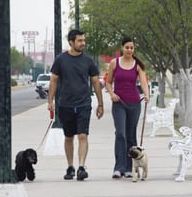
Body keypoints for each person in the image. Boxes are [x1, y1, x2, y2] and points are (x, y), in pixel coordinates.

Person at [47, 29, 104, 181]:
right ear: (71, 42)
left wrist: (100, 104)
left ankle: (81, 167)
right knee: (68, 137)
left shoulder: (88, 60)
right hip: (65, 104)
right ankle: (70, 166)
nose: (83, 43)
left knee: (83, 135)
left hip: (83, 104)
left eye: (83, 40)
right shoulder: (61, 60)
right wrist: (50, 101)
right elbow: (53, 80)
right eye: (79, 40)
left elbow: (95, 81)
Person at [105, 36, 149, 179]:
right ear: (122, 48)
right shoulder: (114, 63)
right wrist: (111, 94)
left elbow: (143, 82)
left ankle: (130, 168)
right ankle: (119, 168)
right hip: (119, 104)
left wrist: (147, 95)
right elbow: (108, 82)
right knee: (120, 134)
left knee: (131, 135)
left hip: (134, 103)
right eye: (127, 47)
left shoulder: (137, 65)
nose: (129, 50)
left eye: (132, 48)